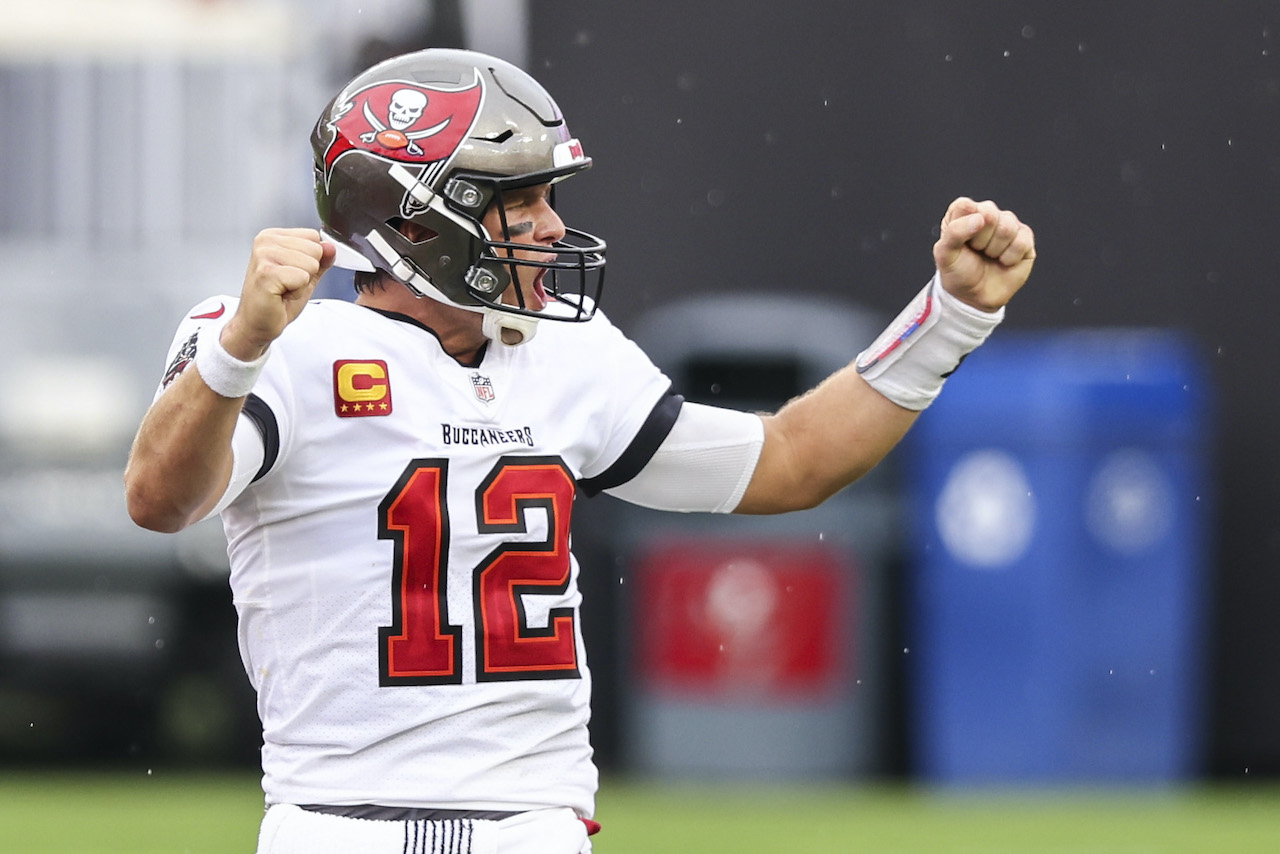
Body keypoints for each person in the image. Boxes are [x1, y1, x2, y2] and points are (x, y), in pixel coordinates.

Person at [124, 48, 1034, 854]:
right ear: (412, 222)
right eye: (519, 201)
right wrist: (237, 349)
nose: (553, 227)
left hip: (537, 824)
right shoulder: (271, 345)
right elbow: (161, 499)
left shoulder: (562, 352)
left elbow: (792, 461)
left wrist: (949, 318)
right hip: (340, 823)